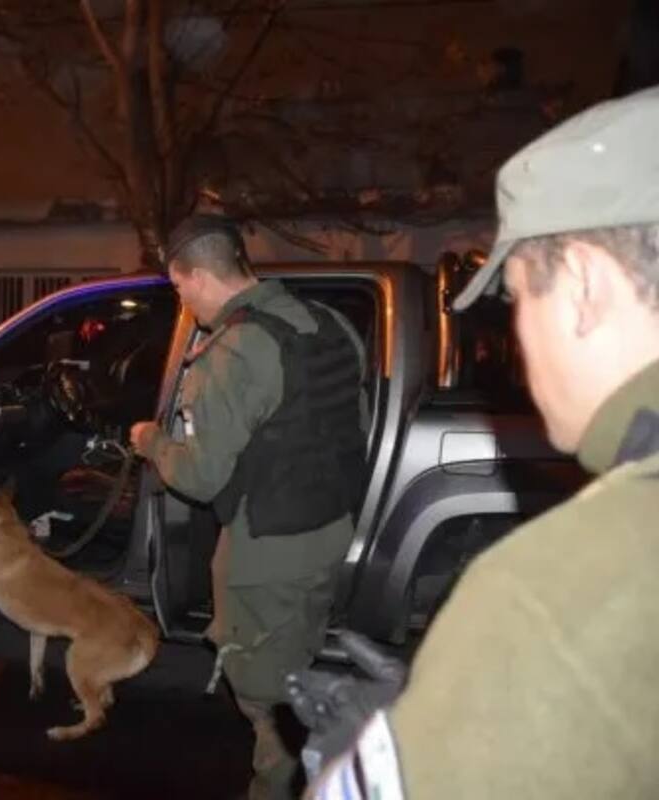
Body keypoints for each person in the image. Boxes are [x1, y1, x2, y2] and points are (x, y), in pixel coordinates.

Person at [306, 86, 659, 799]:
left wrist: (377, 756)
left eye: (519, 295)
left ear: (586, 284)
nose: (516, 336)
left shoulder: (552, 595)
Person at [129, 214, 368, 799]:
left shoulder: (235, 351)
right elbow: (350, 425)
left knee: (265, 699)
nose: (181, 300)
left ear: (197, 277)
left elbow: (202, 477)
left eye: (179, 288)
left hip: (268, 551)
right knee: (298, 656)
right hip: (330, 529)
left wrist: (149, 441)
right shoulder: (329, 324)